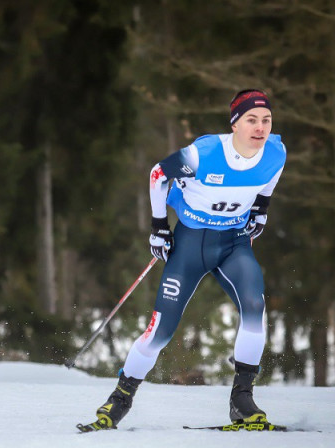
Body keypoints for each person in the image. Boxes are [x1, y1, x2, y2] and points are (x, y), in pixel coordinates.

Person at [79, 89, 285, 431]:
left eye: (266, 120)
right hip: (190, 244)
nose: (260, 127)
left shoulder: (276, 151)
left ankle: (242, 399)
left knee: (254, 306)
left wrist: (261, 210)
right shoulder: (204, 153)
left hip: (234, 242)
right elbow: (158, 175)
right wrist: (159, 227)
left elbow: (270, 179)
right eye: (251, 119)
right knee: (161, 329)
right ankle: (120, 398)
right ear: (234, 124)